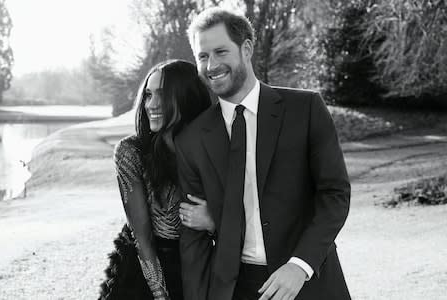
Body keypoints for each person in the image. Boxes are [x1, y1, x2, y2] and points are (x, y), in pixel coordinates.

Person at [175, 8, 351, 300]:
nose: (211, 65)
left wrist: (300, 265)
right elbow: (194, 240)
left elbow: (335, 194)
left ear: (246, 49)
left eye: (220, 52)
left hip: (310, 280)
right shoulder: (191, 139)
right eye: (202, 56)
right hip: (239, 288)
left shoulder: (305, 109)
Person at [98, 60, 214, 300]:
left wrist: (213, 223)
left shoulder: (213, 149)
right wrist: (162, 296)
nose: (151, 104)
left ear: (186, 97)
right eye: (148, 95)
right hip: (145, 269)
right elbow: (143, 240)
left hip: (199, 266)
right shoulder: (131, 152)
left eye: (162, 95)